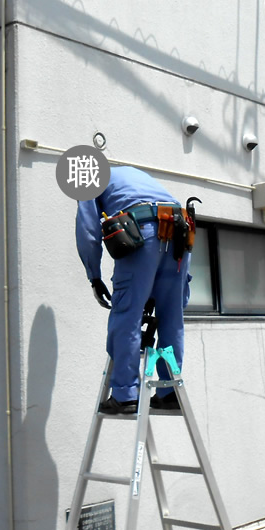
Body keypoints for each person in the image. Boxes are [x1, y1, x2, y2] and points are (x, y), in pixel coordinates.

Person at [75, 166, 193, 414]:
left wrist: (94, 277)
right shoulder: (130, 175)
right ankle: (170, 391)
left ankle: (125, 394)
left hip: (143, 230)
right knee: (171, 316)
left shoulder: (89, 180)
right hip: (180, 229)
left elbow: (88, 231)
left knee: (127, 315)